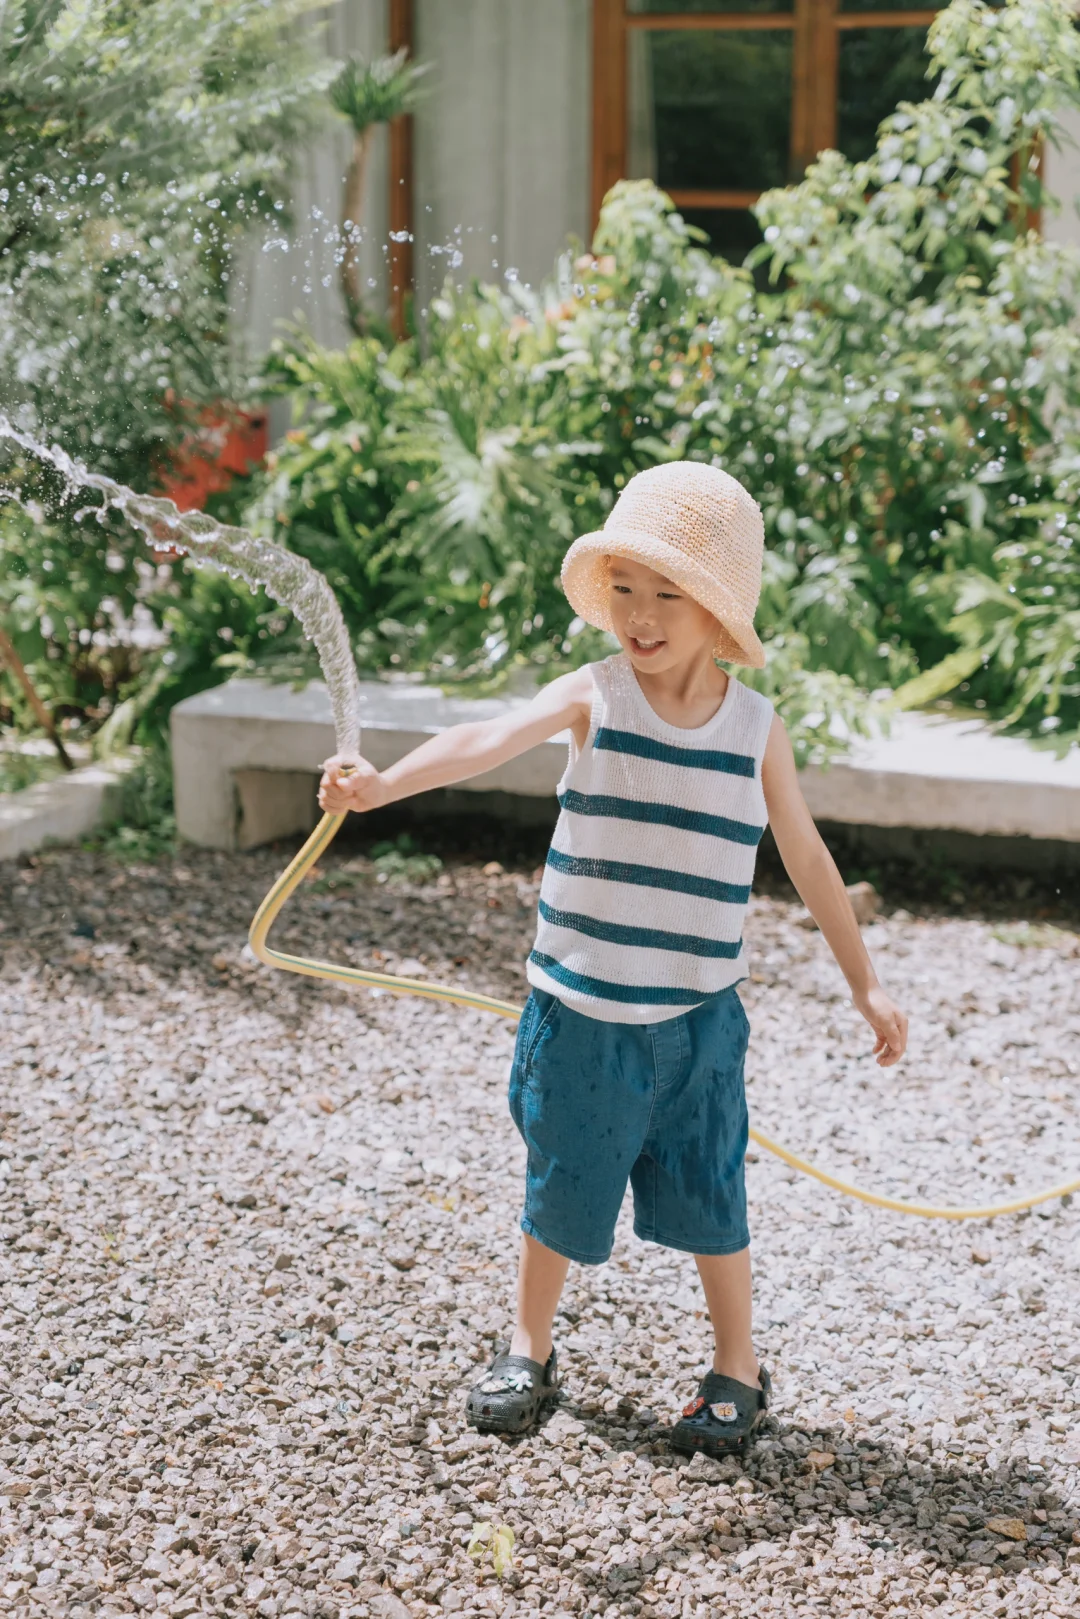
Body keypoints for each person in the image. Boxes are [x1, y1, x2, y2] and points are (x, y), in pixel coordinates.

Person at [318, 461, 908, 1458]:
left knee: (711, 1187)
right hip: (583, 1012)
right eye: (625, 589)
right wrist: (384, 784)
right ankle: (528, 1345)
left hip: (697, 1023)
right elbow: (486, 735)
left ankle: (738, 1366)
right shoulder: (597, 695)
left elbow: (806, 856)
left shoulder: (756, 731)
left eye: (666, 594)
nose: (639, 614)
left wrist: (865, 979)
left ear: (719, 613)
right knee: (564, 1179)